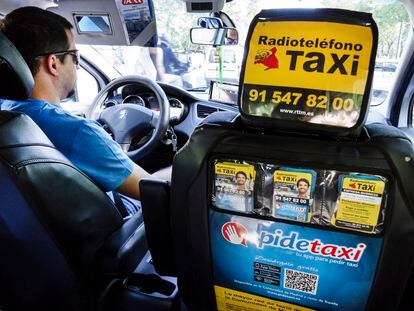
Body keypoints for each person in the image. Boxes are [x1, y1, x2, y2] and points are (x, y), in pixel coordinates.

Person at [0, 7, 170, 215]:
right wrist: (187, 160)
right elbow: (153, 190)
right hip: (123, 233)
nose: (78, 66)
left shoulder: (7, 116)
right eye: (75, 56)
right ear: (53, 63)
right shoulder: (78, 132)